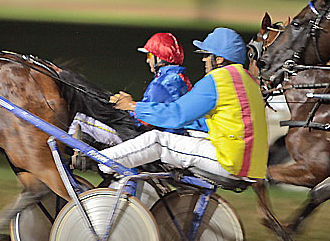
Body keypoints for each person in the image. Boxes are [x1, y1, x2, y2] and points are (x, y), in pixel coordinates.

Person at [100, 27, 268, 180]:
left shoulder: (218, 80)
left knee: (158, 140)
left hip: (231, 161)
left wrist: (133, 106)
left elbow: (176, 115)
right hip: (254, 164)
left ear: (218, 59)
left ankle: (99, 160)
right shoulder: (249, 80)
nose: (203, 60)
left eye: (205, 55)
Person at [68, 32, 191, 147]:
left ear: (160, 58)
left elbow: (144, 122)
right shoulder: (179, 79)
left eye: (149, 55)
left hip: (153, 141)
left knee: (79, 121)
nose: (147, 60)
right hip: (171, 137)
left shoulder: (162, 83)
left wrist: (127, 108)